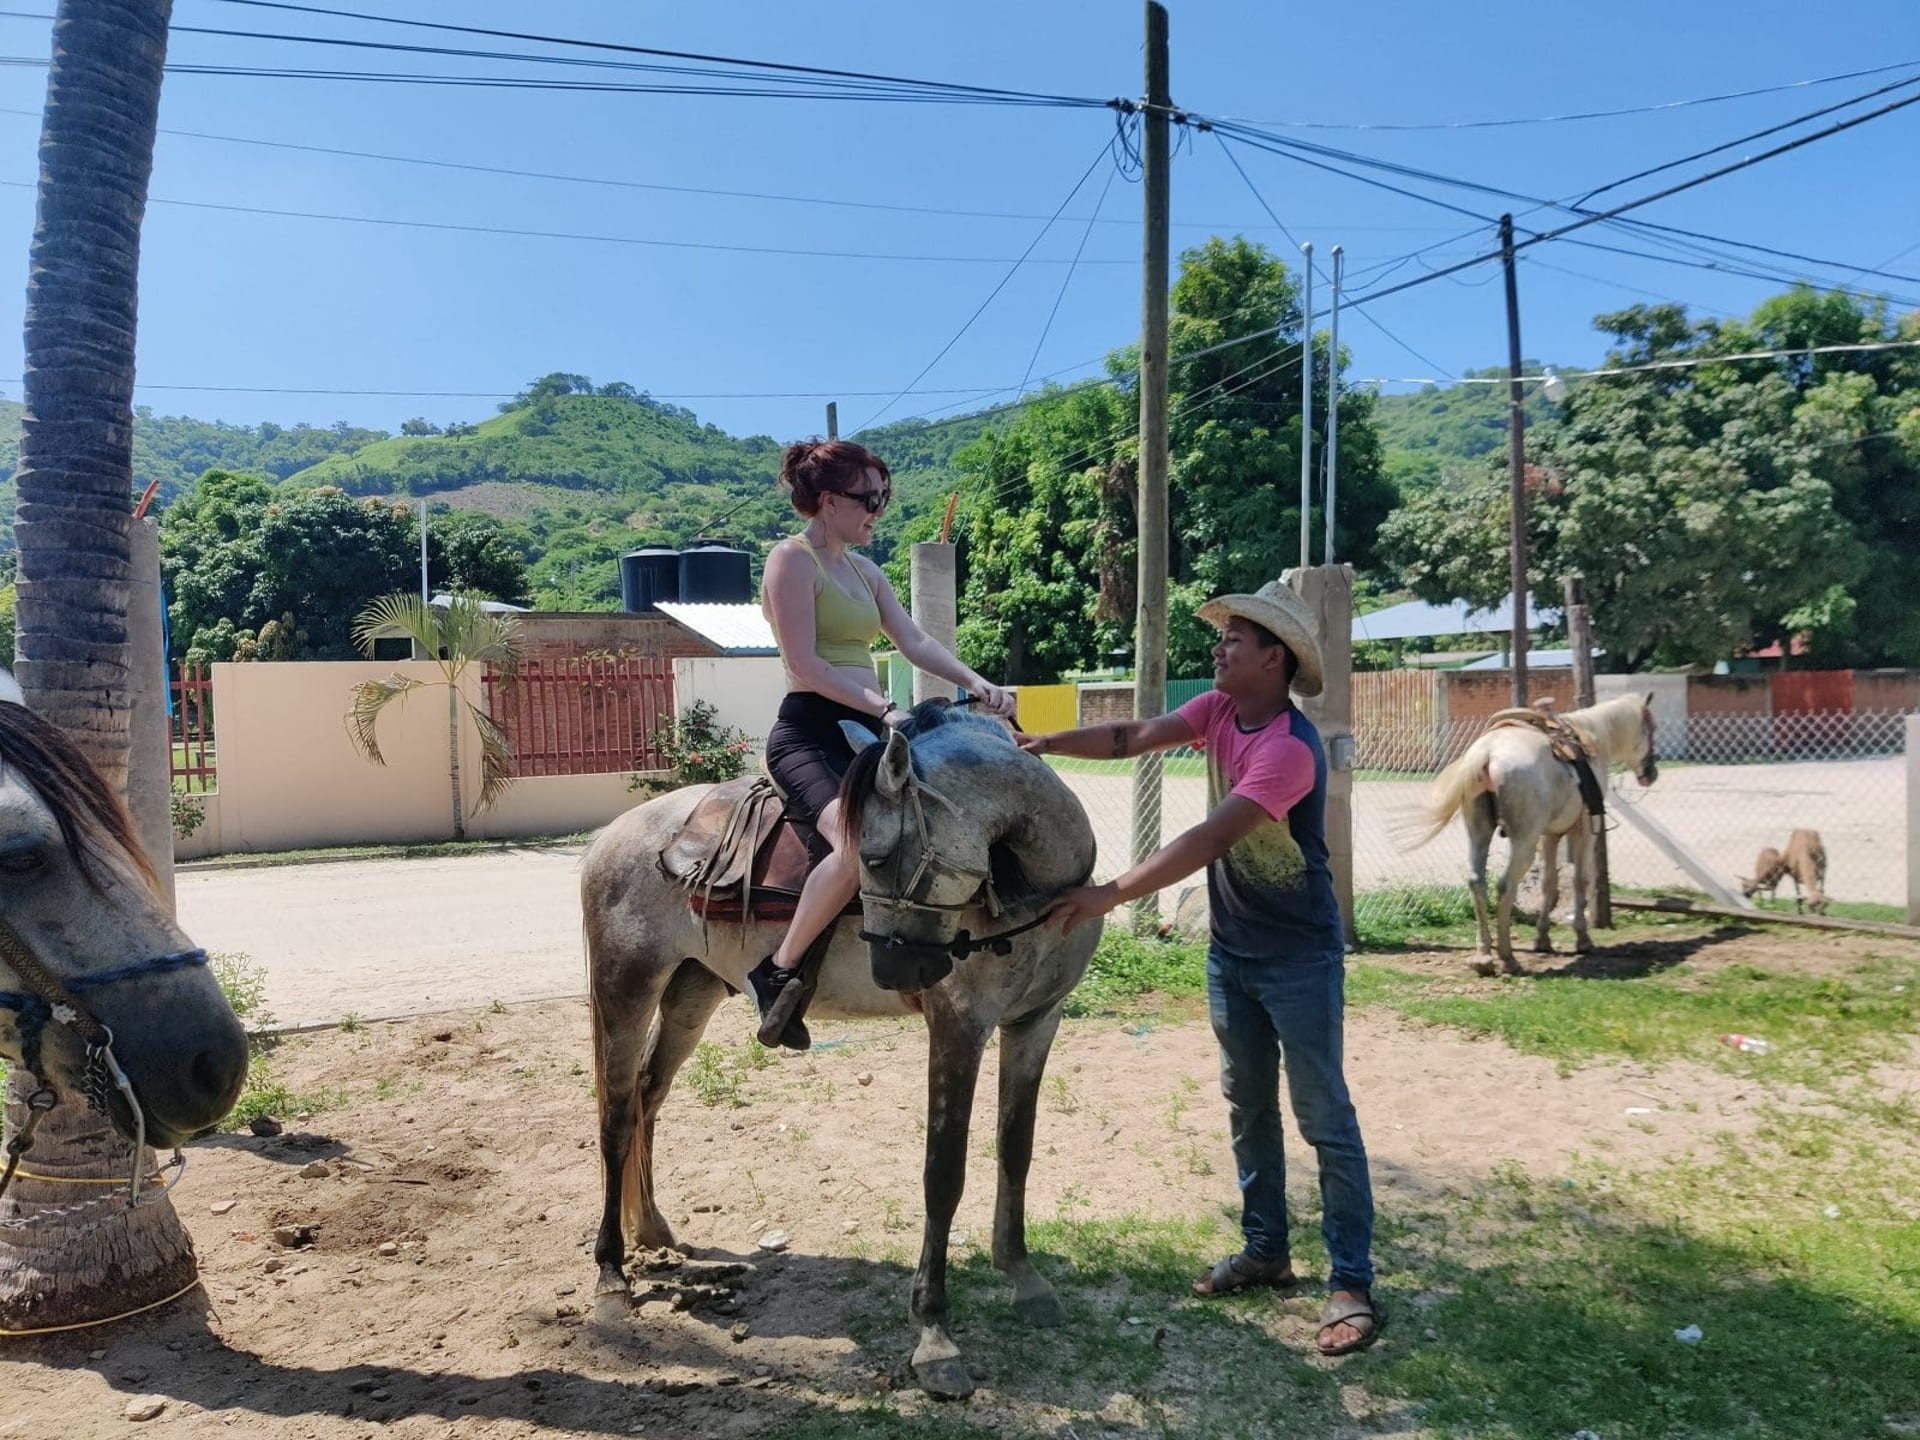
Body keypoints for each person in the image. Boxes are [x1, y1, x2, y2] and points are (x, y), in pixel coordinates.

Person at [1017, 580, 1380, 1356]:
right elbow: (1133, 736)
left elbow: (1208, 839)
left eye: (1233, 642)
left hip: (1298, 957)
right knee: (1247, 1105)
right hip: (1234, 951)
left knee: (1324, 1119)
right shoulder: (1218, 712)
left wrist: (1106, 894)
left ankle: (1350, 1281)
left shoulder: (1287, 749)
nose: (1217, 649)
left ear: (1273, 660)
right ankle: (1266, 1251)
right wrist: (1045, 744)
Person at [749, 438, 1016, 1048]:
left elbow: (914, 643)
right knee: (854, 840)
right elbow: (806, 664)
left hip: (870, 728)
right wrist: (884, 707)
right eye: (869, 498)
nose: (878, 509)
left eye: (883, 496)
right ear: (826, 501)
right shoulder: (791, 561)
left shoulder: (866, 571)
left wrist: (977, 680)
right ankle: (778, 969)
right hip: (811, 731)